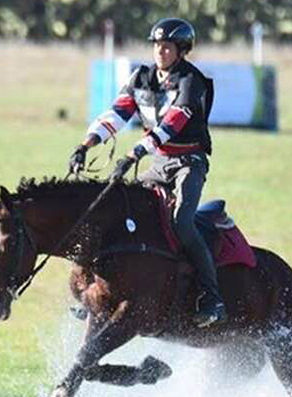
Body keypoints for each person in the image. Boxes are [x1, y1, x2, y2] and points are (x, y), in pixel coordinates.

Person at [68, 17, 227, 328]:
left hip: (188, 163)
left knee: (182, 221)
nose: (160, 52)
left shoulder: (191, 82)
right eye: (156, 46)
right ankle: (96, 293)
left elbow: (172, 124)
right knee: (119, 208)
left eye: (167, 47)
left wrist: (134, 153)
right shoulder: (141, 77)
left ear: (182, 51)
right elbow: (117, 114)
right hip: (157, 163)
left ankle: (212, 297)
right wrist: (85, 145)